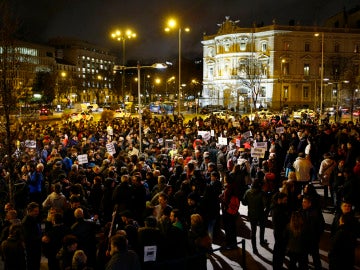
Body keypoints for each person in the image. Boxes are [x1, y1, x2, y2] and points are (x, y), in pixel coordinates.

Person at [242, 178, 267, 254]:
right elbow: (265, 204)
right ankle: (262, 241)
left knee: (253, 231)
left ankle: (254, 248)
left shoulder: (248, 192)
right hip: (261, 214)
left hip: (251, 214)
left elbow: (244, 202)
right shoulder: (262, 193)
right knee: (262, 227)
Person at [22, 201, 42, 270]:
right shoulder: (26, 221)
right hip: (32, 248)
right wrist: (40, 238)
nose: (37, 213)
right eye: (35, 211)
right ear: (29, 211)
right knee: (32, 265)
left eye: (38, 211)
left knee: (36, 264)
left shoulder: (33, 218)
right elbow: (28, 236)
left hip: (36, 246)